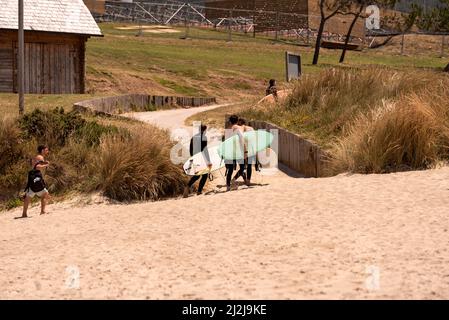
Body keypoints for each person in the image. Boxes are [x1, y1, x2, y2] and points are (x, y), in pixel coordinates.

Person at [21, 145, 51, 218]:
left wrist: (45, 163)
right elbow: (37, 167)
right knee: (44, 194)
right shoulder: (40, 157)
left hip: (33, 177)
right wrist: (46, 165)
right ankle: (42, 211)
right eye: (46, 150)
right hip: (36, 177)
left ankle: (24, 214)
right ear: (42, 150)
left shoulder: (38, 157)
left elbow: (37, 165)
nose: (48, 151)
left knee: (28, 196)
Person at [183, 125, 212, 198]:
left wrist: (192, 158)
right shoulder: (204, 137)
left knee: (197, 175)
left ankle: (187, 187)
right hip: (201, 158)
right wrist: (208, 161)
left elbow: (190, 150)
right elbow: (205, 151)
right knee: (204, 175)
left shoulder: (193, 138)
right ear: (204, 130)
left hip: (195, 158)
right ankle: (199, 191)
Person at [232, 118, 259, 186]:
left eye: (238, 122)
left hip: (243, 149)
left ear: (240, 122)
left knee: (243, 167)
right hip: (251, 148)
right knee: (249, 165)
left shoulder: (241, 128)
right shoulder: (251, 128)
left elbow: (241, 139)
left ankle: (234, 179)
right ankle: (248, 180)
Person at [224, 115, 245, 192]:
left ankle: (228, 186)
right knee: (242, 168)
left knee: (230, 170)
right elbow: (242, 139)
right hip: (238, 151)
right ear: (237, 120)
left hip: (229, 151)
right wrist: (245, 151)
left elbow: (225, 142)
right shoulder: (238, 128)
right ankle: (234, 179)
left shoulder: (228, 130)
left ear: (230, 121)